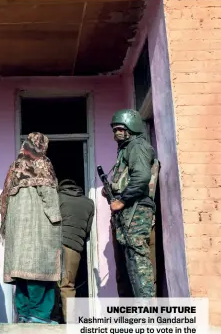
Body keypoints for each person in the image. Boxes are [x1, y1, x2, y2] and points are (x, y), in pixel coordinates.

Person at [0, 132, 62, 325]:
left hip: (17, 230)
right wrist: (56, 219)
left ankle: (24, 314)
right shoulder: (41, 162)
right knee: (39, 269)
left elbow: (4, 200)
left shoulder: (15, 166)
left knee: (22, 274)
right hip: (37, 227)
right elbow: (48, 194)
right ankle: (39, 314)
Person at [104, 109, 159, 298]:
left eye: (120, 128)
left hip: (136, 209)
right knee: (129, 262)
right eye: (114, 130)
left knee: (138, 260)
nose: (116, 133)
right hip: (129, 211)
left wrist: (122, 200)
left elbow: (141, 177)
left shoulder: (137, 146)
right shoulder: (126, 149)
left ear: (131, 128)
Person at [53, 179, 94, 323]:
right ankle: (70, 323)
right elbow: (88, 229)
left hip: (55, 244)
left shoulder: (58, 198)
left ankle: (53, 319)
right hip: (74, 248)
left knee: (51, 283)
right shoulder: (89, 203)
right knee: (68, 285)